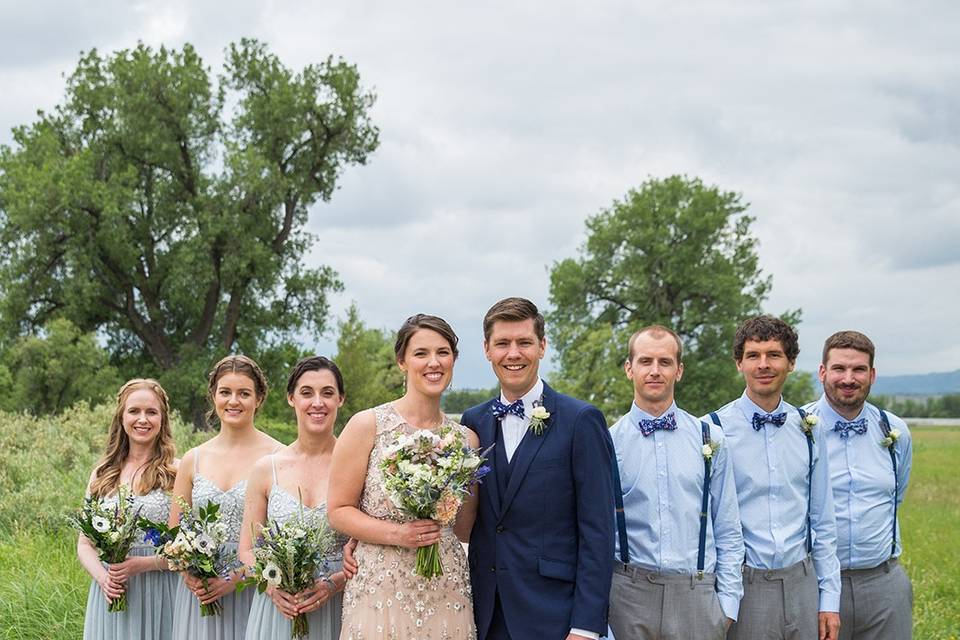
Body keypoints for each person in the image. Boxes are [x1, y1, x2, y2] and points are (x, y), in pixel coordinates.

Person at [460, 297, 615, 640]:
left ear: (542, 346)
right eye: (502, 343)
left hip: (554, 617)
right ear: (487, 349)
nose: (513, 354)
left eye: (524, 342)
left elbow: (598, 532)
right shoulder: (472, 423)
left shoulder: (581, 421)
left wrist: (586, 627)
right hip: (484, 615)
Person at [328, 314, 479, 638]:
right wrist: (397, 534)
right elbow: (338, 511)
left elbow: (465, 527)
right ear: (402, 361)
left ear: (453, 359)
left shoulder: (467, 440)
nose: (433, 362)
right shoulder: (366, 425)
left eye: (443, 352)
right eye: (421, 353)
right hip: (379, 587)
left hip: (446, 584)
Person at [704, 315, 841, 640]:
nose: (763, 365)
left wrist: (829, 599)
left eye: (774, 355)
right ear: (739, 363)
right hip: (743, 585)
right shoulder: (712, 430)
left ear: (791, 363)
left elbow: (823, 519)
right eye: (753, 355)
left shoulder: (809, 428)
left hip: (802, 581)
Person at [608, 326, 743, 640]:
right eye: (645, 361)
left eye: (665, 362)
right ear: (629, 368)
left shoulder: (711, 438)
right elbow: (598, 533)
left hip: (697, 597)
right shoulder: (608, 442)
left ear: (679, 370)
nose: (655, 371)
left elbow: (728, 527)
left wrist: (728, 605)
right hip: (628, 596)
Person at [803, 331, 913, 639]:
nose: (848, 378)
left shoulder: (895, 432)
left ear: (872, 375)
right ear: (823, 372)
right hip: (815, 583)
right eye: (839, 368)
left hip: (883, 583)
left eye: (859, 370)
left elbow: (896, 495)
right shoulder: (799, 429)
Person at [170, 355, 283, 640]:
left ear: (258, 399)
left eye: (244, 393)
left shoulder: (278, 457)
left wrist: (235, 579)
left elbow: (283, 531)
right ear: (213, 396)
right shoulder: (192, 460)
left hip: (252, 588)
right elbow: (174, 533)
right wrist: (192, 576)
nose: (234, 401)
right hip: (200, 594)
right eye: (225, 392)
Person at [239, 356, 349, 639]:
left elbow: (368, 551)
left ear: (340, 399)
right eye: (306, 393)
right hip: (278, 609)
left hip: (339, 604)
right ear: (291, 398)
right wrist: (273, 585)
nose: (317, 403)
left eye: (327, 393)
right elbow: (247, 550)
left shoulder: (355, 466)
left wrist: (333, 584)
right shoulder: (267, 469)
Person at [77, 378, 180, 640]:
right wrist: (103, 578)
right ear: (122, 417)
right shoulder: (102, 474)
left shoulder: (176, 472)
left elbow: (186, 551)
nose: (142, 419)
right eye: (134, 411)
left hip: (162, 591)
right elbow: (85, 544)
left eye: (151, 412)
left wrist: (144, 564)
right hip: (112, 590)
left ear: (162, 420)